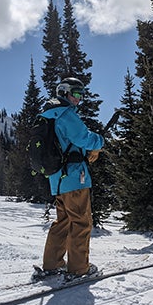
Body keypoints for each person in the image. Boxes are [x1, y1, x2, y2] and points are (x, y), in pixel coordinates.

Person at [33, 77, 104, 281]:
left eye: (81, 94)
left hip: (57, 180)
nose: (79, 99)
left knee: (63, 221)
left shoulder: (47, 115)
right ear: (64, 92)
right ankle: (79, 269)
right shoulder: (65, 114)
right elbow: (83, 137)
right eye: (76, 93)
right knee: (81, 221)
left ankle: (52, 264)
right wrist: (100, 142)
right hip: (74, 177)